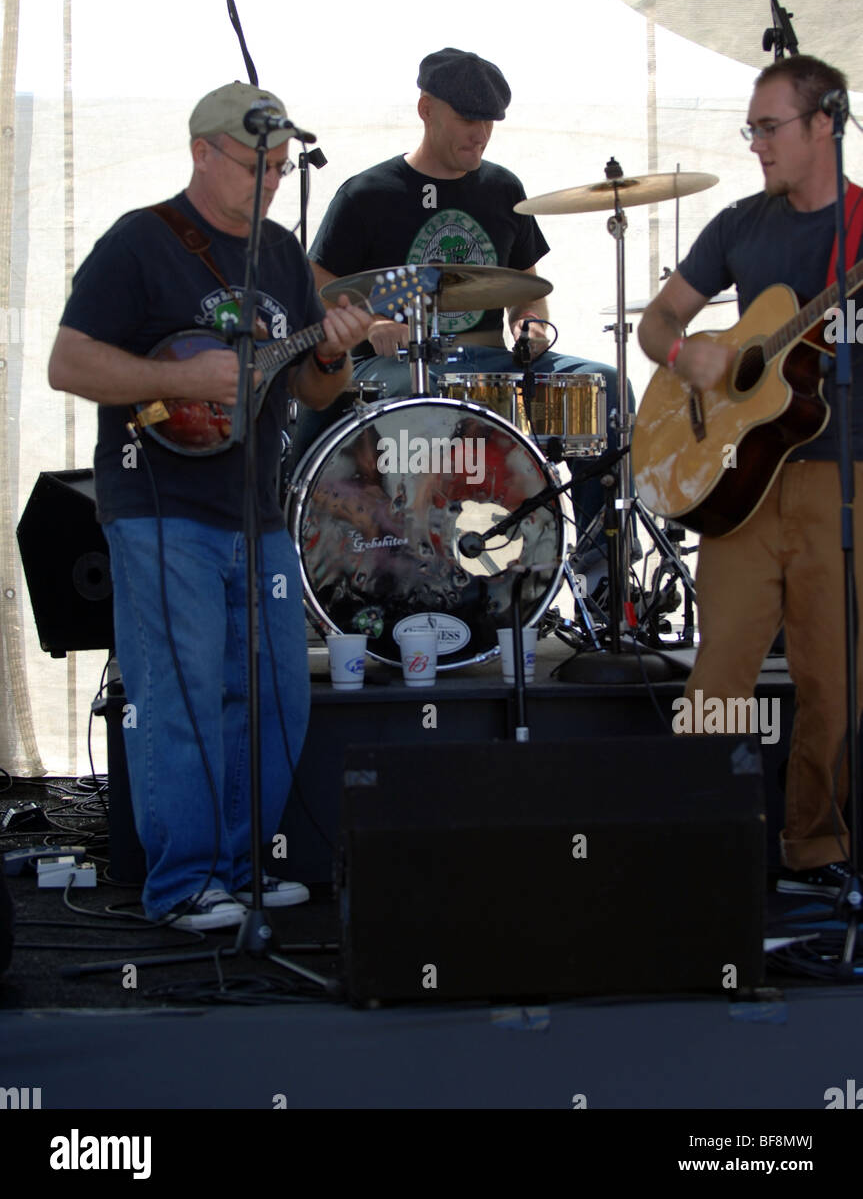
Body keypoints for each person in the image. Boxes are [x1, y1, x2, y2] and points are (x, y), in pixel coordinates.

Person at [47, 81, 373, 930]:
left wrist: (337, 351)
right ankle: (183, 882)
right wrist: (175, 379)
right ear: (203, 152)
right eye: (255, 162)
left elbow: (309, 382)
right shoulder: (141, 244)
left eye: (280, 164)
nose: (270, 177)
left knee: (272, 693)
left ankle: (240, 868)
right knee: (182, 693)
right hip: (157, 504)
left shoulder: (283, 259)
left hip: (255, 509)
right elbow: (69, 364)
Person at [637, 53, 863, 896]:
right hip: (739, 484)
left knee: (831, 683)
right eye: (752, 128)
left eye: (769, 128)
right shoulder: (739, 224)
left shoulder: (860, 224)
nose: (756, 144)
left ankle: (815, 852)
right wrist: (685, 353)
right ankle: (699, 841)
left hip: (843, 477)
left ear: (823, 125)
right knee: (719, 673)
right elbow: (660, 318)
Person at [293, 47, 631, 540]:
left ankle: (604, 564)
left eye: (490, 121)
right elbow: (318, 286)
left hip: (492, 369)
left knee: (605, 387)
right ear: (426, 109)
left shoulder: (502, 189)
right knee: (418, 397)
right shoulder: (367, 195)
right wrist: (373, 324)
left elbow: (527, 289)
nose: (481, 133)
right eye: (469, 118)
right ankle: (403, 551)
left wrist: (529, 324)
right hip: (392, 372)